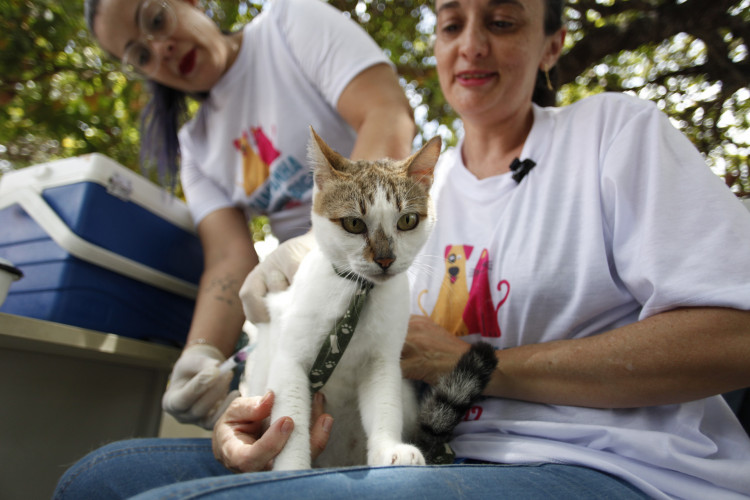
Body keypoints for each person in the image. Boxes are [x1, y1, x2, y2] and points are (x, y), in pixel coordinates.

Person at [54, 0, 750, 498]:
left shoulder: (613, 133)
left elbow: (735, 340)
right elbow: (258, 292)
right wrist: (240, 404)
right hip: (449, 447)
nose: (471, 45)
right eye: (451, 24)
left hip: (616, 461)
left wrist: (483, 366)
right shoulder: (427, 194)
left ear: (552, 43)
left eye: (502, 21)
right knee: (98, 478)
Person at [85, 0, 416, 430]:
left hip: (381, 271)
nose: (160, 48)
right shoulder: (197, 147)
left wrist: (320, 248)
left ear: (190, 3)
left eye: (157, 19)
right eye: (140, 54)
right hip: (309, 307)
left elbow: (387, 114)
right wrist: (201, 353)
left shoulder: (289, 23)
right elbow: (228, 258)